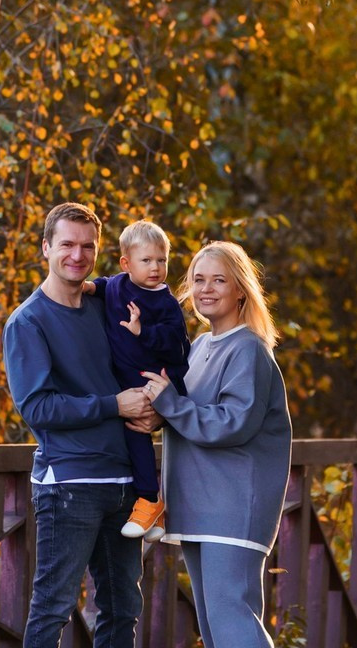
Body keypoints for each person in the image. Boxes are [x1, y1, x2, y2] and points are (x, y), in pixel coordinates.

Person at [3, 201, 158, 648]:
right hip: (69, 484)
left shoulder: (104, 305)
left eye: (87, 246)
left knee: (123, 609)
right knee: (53, 608)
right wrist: (114, 406)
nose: (77, 254)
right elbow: (38, 408)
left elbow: (137, 361)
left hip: (125, 482)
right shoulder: (28, 322)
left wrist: (152, 406)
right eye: (67, 244)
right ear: (46, 248)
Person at [140, 240, 293, 648]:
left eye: (219, 280)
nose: (206, 288)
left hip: (233, 505)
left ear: (240, 289)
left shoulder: (248, 349)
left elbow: (233, 423)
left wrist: (170, 403)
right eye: (199, 279)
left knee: (232, 621)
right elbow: (185, 413)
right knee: (213, 627)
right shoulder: (203, 345)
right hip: (197, 504)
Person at [85, 218, 191, 540]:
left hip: (152, 379)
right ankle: (155, 517)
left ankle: (148, 499)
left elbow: (178, 343)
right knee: (128, 437)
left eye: (162, 260)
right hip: (124, 378)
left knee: (137, 435)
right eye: (147, 261)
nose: (156, 268)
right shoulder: (118, 284)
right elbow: (104, 285)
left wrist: (143, 331)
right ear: (126, 263)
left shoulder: (165, 303)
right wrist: (89, 287)